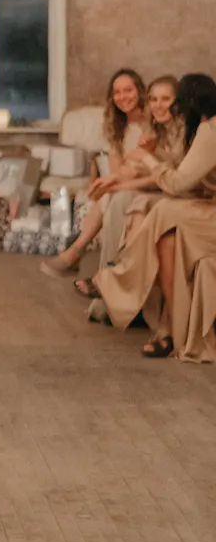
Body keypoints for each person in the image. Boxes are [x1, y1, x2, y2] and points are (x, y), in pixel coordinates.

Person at [93, 72, 216, 359]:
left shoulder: (209, 131)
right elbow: (179, 171)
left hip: (208, 210)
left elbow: (176, 183)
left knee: (160, 209)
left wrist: (148, 157)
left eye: (174, 102)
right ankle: (170, 330)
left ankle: (115, 278)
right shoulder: (204, 129)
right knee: (165, 238)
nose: (172, 110)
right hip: (204, 207)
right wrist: (125, 176)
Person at [41, 68, 147, 295]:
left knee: (110, 197)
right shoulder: (117, 129)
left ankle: (77, 252)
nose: (123, 97)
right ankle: (93, 266)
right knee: (105, 195)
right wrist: (106, 184)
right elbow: (117, 171)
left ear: (140, 91)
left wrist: (115, 184)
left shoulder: (152, 123)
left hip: (145, 184)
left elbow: (147, 168)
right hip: (124, 184)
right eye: (117, 92)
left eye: (128, 90)